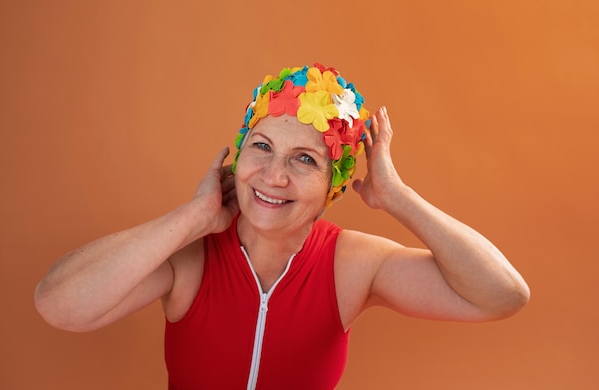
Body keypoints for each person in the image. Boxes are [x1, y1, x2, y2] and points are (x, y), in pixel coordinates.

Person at [34, 63, 530, 389]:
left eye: (304, 161)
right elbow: (59, 304)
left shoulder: (351, 265)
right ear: (239, 154)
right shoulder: (192, 256)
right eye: (262, 147)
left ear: (331, 188)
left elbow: (503, 294)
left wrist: (398, 199)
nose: (274, 176)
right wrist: (193, 217)